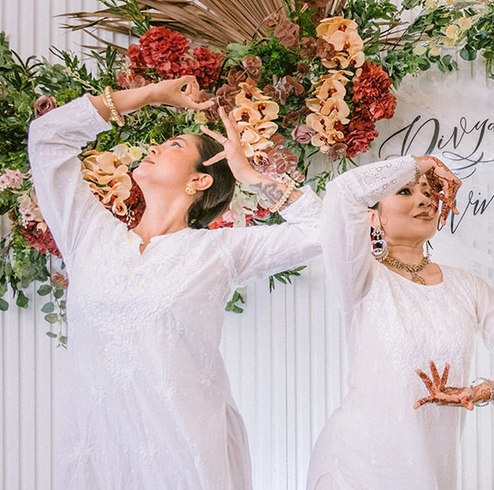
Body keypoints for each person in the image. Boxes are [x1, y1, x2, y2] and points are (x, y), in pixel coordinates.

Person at [27, 76, 322, 490]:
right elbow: (47, 138)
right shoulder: (87, 235)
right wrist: (148, 95)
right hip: (98, 460)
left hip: (186, 461)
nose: (154, 147)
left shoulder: (218, 252)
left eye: (174, 146)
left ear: (200, 180)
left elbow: (325, 231)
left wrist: (252, 177)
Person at [306, 155, 494, 489]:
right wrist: (425, 163)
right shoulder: (358, 275)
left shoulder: (468, 285)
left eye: (429, 192)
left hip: (432, 466)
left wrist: (479, 391)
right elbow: (342, 193)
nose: (424, 199)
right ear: (373, 217)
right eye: (404, 191)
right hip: (357, 465)